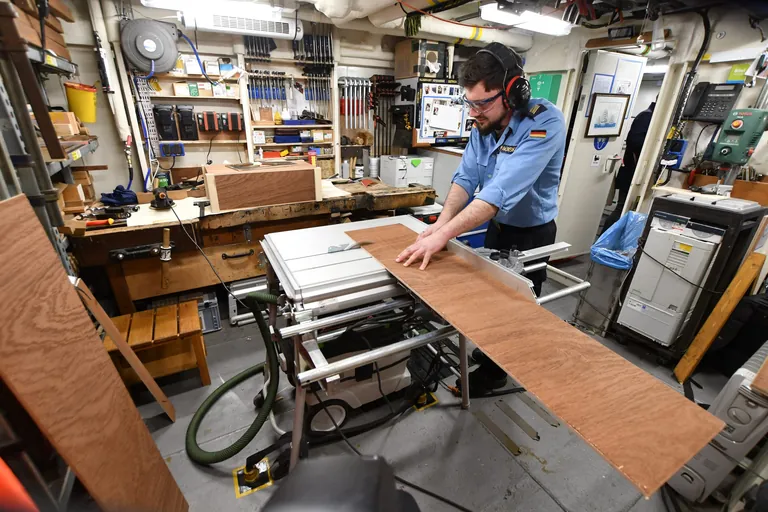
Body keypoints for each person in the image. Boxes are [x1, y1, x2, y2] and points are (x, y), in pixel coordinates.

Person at [395, 42, 566, 396]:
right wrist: (439, 225)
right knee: (491, 301)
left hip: (532, 233)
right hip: (498, 228)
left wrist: (443, 236)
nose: (474, 112)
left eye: (482, 103)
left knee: (517, 306)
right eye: (469, 103)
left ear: (513, 93)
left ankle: (497, 372)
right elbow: (465, 179)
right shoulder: (483, 126)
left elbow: (496, 194)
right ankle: (492, 352)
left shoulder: (543, 123)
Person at [602, 100, 655, 233]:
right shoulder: (646, 116)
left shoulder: (651, 116)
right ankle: (604, 241)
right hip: (632, 172)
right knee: (622, 210)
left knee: (628, 212)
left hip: (635, 172)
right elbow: (635, 143)